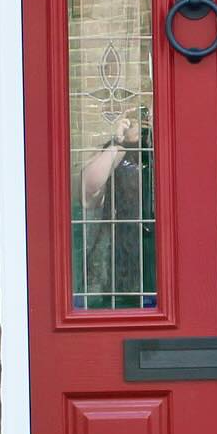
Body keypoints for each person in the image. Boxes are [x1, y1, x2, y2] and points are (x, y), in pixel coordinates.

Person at [78, 112, 154, 308]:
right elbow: (89, 191)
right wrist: (117, 142)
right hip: (121, 255)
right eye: (138, 119)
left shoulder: (161, 150)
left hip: (158, 255)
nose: (144, 124)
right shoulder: (117, 151)